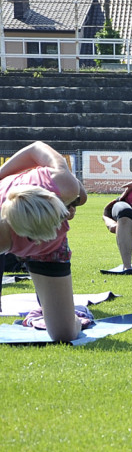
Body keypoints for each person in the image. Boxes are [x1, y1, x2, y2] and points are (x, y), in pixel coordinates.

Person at [0, 141, 88, 342]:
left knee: (63, 334)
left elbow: (35, 148)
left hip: (52, 248)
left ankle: (75, 312)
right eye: (32, 237)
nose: (38, 242)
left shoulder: (65, 184)